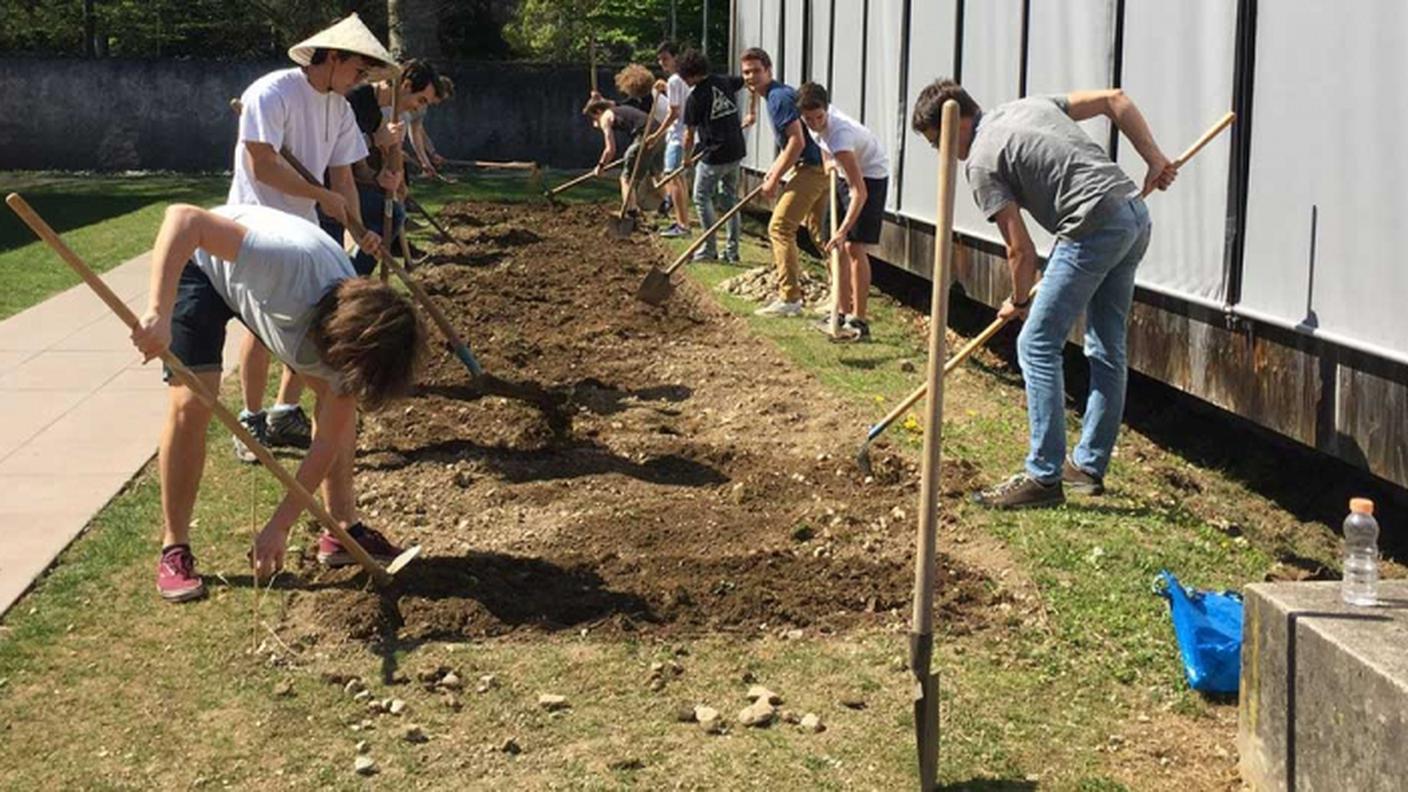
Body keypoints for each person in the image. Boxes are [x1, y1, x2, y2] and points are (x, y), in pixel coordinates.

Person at [133, 203, 425, 602]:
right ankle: (175, 548)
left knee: (336, 401)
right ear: (337, 336)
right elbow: (184, 219)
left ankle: (341, 530)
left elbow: (325, 442)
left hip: (261, 292)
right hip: (203, 264)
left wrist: (280, 525)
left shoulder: (355, 347)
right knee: (192, 402)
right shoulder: (286, 266)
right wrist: (158, 312)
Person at [910, 79, 1176, 509]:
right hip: (1132, 214)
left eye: (936, 141)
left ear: (956, 122)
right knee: (1107, 346)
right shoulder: (1027, 106)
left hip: (1092, 225)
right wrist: (1154, 159)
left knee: (1035, 343)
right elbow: (1115, 99)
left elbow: (1021, 251)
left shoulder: (979, 162)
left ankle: (1044, 476)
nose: (940, 152)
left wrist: (1018, 301)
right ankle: (1087, 467)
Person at [228, 14, 392, 463]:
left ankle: (284, 411)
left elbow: (344, 179)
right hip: (254, 224)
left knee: (309, 318)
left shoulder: (338, 108)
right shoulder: (272, 92)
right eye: (358, 70)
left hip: (303, 228)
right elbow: (262, 164)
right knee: (260, 327)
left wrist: (359, 233)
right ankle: (251, 418)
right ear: (334, 57)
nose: (361, 80)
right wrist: (318, 194)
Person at [797, 82, 890, 342]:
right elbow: (823, 145)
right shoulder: (812, 122)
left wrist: (843, 230)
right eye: (809, 119)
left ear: (827, 110)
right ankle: (840, 311)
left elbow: (859, 191)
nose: (815, 123)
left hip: (870, 176)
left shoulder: (841, 134)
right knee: (833, 246)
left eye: (819, 118)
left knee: (853, 247)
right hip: (843, 172)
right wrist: (829, 165)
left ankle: (859, 320)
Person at [740, 47, 828, 318]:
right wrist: (774, 169)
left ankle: (790, 298)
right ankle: (841, 293)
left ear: (768, 70)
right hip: (821, 166)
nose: (751, 77)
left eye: (756, 71)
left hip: (814, 169)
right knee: (820, 233)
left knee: (780, 228)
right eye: (746, 72)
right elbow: (793, 142)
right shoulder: (776, 95)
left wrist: (775, 177)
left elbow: (797, 141)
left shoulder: (778, 98)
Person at [336, 58, 443, 276]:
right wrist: (376, 140)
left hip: (346, 186)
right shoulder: (353, 99)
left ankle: (352, 277)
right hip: (325, 188)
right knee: (388, 215)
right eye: (420, 100)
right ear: (405, 86)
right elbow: (336, 151)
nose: (418, 108)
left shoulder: (377, 113)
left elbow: (362, 169)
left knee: (393, 213)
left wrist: (381, 179)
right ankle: (348, 278)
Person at [677, 48, 745, 263]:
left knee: (700, 197)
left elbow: (689, 135)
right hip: (736, 151)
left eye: (684, 77)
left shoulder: (695, 98)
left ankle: (708, 249)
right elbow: (749, 83)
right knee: (730, 200)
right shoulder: (724, 82)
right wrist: (751, 110)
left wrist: (686, 158)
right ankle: (732, 251)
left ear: (691, 74)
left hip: (714, 156)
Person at [583, 95, 660, 214]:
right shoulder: (618, 109)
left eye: (594, 118)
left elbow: (610, 149)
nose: (595, 121)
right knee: (655, 172)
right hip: (659, 133)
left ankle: (631, 212)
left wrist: (601, 166)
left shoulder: (605, 117)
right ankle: (665, 204)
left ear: (598, 111)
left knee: (626, 178)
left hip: (645, 136)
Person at [656, 41, 694, 238]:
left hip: (677, 136)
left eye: (665, 59)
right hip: (682, 135)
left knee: (673, 178)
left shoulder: (674, 81)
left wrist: (656, 134)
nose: (662, 63)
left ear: (675, 58)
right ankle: (682, 223)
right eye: (660, 60)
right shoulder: (681, 80)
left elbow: (674, 112)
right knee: (679, 180)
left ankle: (682, 226)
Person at [406, 76, 455, 181]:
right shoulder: (411, 100)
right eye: (440, 98)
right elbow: (415, 132)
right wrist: (425, 161)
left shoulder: (423, 107)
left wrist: (431, 154)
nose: (438, 103)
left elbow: (417, 130)